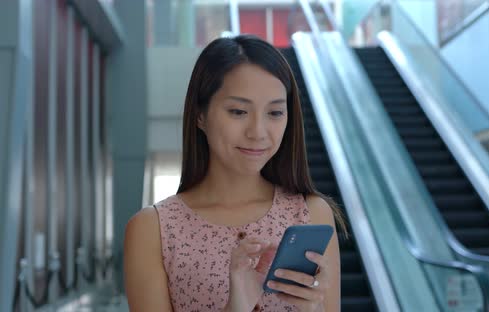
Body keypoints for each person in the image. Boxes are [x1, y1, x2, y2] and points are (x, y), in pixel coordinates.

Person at [123, 35, 348, 312]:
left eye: (275, 113)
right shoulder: (153, 230)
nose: (258, 132)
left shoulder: (311, 214)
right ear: (200, 115)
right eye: (239, 111)